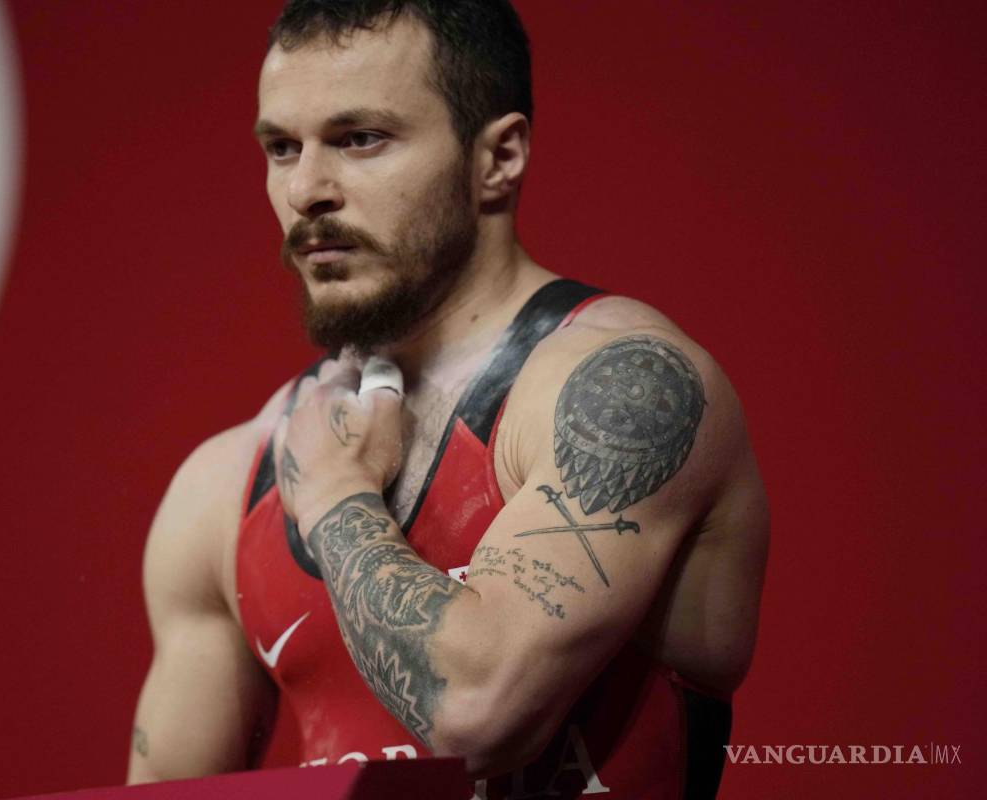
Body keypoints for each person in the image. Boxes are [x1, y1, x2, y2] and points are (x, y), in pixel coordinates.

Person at [127, 1, 769, 797]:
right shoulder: (224, 485)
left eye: (360, 139)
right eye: (282, 147)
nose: (306, 190)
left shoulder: (622, 391)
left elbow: (479, 714)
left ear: (498, 157)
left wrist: (333, 496)